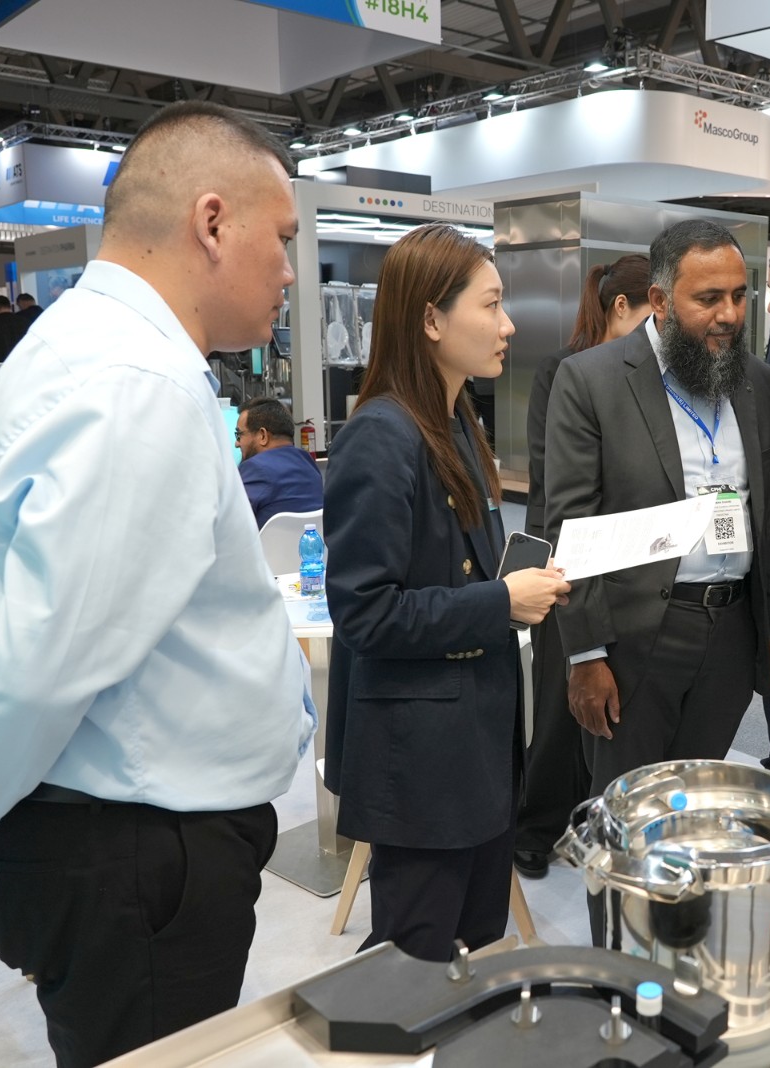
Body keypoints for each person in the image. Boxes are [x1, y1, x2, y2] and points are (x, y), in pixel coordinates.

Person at [0, 101, 317, 1068]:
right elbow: (48, 664)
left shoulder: (97, 350)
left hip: (124, 838)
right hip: (134, 856)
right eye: (281, 238)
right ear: (211, 222)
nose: (288, 270)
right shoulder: (135, 383)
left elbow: (53, 615)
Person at [323, 223, 569, 962]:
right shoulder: (382, 436)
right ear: (431, 319)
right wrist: (501, 602)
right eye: (490, 306)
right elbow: (366, 613)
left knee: (474, 953)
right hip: (422, 764)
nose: (508, 325)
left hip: (477, 747)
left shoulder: (456, 422)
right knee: (416, 964)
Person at [545, 218, 770, 943]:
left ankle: (681, 957)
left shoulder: (757, 380)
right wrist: (586, 654)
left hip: (731, 630)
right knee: (625, 820)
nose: (729, 315)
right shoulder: (592, 380)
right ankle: (618, 971)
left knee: (697, 815)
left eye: (740, 296)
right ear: (658, 300)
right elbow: (571, 524)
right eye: (707, 299)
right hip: (633, 639)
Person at [513, 253, 650, 880]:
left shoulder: (656, 377)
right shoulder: (564, 371)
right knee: (556, 701)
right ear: (621, 306)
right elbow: (554, 486)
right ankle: (535, 827)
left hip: (633, 565)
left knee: (615, 704)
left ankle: (595, 819)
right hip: (567, 559)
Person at [236, 396, 323, 528]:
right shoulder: (308, 463)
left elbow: (229, 523)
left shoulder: (254, 468)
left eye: (239, 435)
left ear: (263, 435)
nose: (237, 443)